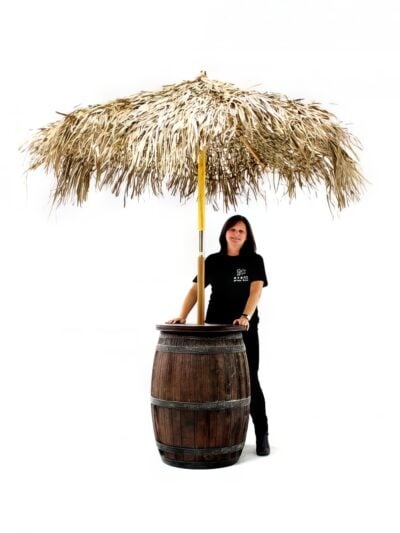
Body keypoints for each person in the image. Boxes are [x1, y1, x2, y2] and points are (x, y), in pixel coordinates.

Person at [167, 214, 270, 456]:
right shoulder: (212, 261)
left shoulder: (254, 260)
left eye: (241, 231)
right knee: (215, 381)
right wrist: (182, 315)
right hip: (214, 328)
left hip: (243, 329)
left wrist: (245, 316)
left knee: (250, 379)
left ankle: (262, 433)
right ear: (225, 233)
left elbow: (256, 291)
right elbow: (195, 290)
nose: (236, 234)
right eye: (232, 229)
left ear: (247, 236)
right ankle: (219, 434)